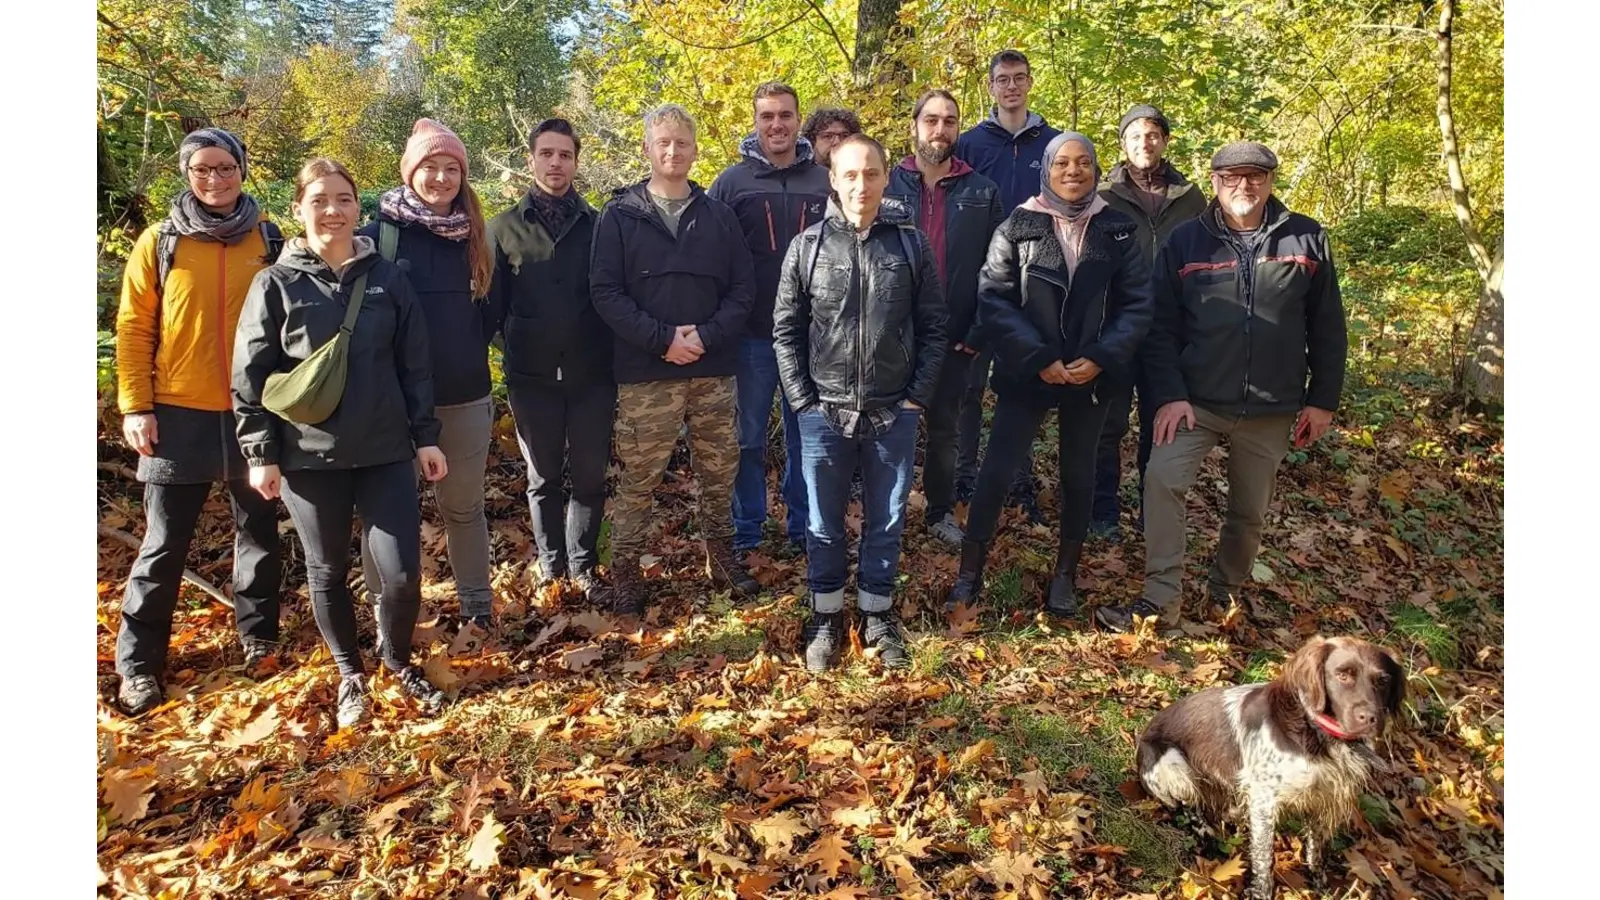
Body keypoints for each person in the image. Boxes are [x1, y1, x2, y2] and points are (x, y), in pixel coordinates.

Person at [1094, 142, 1347, 632]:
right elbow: (1159, 328)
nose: (1243, 187)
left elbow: (1328, 327)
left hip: (1272, 406)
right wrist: (1169, 395)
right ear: (1214, 182)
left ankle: (1224, 593)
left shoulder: (1306, 239)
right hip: (1197, 401)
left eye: (1254, 176)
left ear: (1271, 182)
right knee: (1162, 478)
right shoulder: (1187, 242)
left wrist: (1322, 400)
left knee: (1249, 512)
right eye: (1231, 178)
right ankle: (1159, 599)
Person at [233, 157, 449, 728]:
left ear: (360, 207)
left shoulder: (388, 278)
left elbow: (416, 367)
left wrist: (425, 439)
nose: (333, 210)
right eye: (320, 200)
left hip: (385, 452)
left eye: (344, 199)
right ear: (299, 209)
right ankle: (350, 674)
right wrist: (261, 453)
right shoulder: (274, 283)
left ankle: (396, 662)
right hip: (308, 457)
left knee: (402, 575)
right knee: (325, 570)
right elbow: (249, 378)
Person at [113, 128, 286, 715]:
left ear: (242, 168)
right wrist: (136, 404)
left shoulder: (268, 239)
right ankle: (138, 665)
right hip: (176, 411)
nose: (214, 179)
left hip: (251, 412)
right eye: (202, 169)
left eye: (225, 168)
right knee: (164, 543)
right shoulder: (159, 242)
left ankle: (259, 637)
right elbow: (134, 327)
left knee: (259, 533)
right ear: (187, 175)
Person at [945, 133, 1153, 618]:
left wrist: (1102, 356)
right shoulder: (1018, 225)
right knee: (995, 473)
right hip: (1028, 371)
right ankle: (969, 572)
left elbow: (1138, 304)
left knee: (1079, 476)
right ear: (1047, 169)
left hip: (1091, 376)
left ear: (1097, 169)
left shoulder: (1119, 230)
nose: (1073, 171)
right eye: (1062, 162)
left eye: (1083, 162)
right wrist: (1038, 356)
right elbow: (994, 298)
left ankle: (1065, 576)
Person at [773, 134, 948, 672]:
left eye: (870, 173)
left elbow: (935, 329)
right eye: (849, 174)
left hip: (892, 410)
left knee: (887, 518)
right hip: (822, 412)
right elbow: (786, 332)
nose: (860, 185)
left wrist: (917, 397)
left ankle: (877, 612)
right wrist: (802, 402)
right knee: (823, 523)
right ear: (832, 178)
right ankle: (826, 614)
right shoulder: (807, 247)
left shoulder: (910, 246)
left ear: (884, 178)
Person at [590, 104, 758, 615]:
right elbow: (605, 292)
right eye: (663, 142)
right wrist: (663, 339)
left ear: (694, 149)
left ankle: (723, 559)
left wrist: (704, 337)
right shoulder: (619, 217)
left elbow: (742, 290)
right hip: (647, 375)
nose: (672, 151)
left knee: (719, 471)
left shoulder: (718, 216)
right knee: (639, 479)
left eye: (682, 143)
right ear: (646, 148)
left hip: (712, 369)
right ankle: (624, 573)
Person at [358, 119, 500, 629]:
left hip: (463, 399)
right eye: (429, 167)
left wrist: (458, 354)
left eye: (451, 169)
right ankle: (388, 615)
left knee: (463, 509)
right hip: (391, 404)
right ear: (409, 171)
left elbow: (490, 314)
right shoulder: (378, 238)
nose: (441, 178)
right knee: (389, 517)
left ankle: (478, 609)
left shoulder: (477, 237)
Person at [489, 118, 613, 603]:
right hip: (531, 377)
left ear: (576, 162)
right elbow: (491, 307)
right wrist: (518, 347)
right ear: (531, 160)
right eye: (547, 154)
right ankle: (551, 564)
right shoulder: (501, 228)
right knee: (542, 478)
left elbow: (612, 296)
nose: (556, 163)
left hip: (592, 375)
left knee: (588, 475)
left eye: (565, 155)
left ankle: (583, 565)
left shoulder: (600, 225)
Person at [711, 82, 832, 566]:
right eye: (767, 116)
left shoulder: (825, 181)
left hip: (812, 336)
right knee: (748, 437)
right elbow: (713, 258)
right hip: (751, 336)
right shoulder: (732, 182)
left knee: (809, 436)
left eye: (785, 115)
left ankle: (804, 527)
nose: (777, 125)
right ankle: (747, 530)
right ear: (756, 122)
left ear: (798, 119)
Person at [884, 90, 1003, 546]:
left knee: (946, 428)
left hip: (955, 333)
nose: (940, 129)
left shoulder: (982, 190)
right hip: (892, 332)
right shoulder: (887, 184)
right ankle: (887, 512)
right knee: (889, 425)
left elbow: (998, 269)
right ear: (914, 125)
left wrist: (978, 328)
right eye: (931, 120)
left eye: (949, 121)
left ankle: (938, 512)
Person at [953, 49, 1065, 521]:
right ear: (991, 86)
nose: (1012, 86)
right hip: (982, 282)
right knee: (968, 387)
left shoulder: (1056, 143)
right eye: (1003, 79)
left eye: (1020, 78)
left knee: (1019, 386)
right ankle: (963, 477)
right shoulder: (970, 144)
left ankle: (1019, 481)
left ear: (1030, 82)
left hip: (1040, 282)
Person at [1090, 104, 1206, 542]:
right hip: (1117, 326)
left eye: (1153, 134)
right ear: (1123, 143)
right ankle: (1103, 510)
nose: (1145, 143)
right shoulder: (1104, 196)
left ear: (1166, 140)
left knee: (1161, 426)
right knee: (1108, 422)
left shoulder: (1191, 199)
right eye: (1135, 135)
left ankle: (1151, 510)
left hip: (1170, 332)